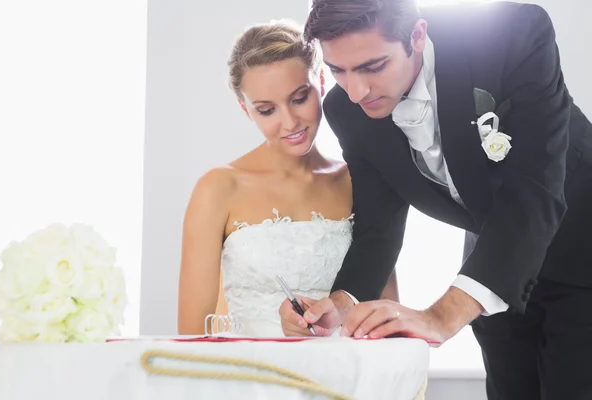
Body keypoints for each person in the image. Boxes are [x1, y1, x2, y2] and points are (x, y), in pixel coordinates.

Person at [278, 0, 592, 398]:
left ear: (417, 35)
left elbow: (533, 187)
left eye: (373, 67)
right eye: (337, 70)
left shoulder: (512, 35)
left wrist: (442, 315)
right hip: (495, 276)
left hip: (584, 247)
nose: (356, 92)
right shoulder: (347, 110)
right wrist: (339, 304)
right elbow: (378, 224)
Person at [177, 20, 399, 337]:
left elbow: (385, 317)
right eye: (267, 110)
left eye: (299, 98)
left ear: (320, 82)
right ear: (246, 109)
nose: (290, 122)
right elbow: (190, 337)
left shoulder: (359, 182)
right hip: (247, 379)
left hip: (346, 380)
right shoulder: (218, 188)